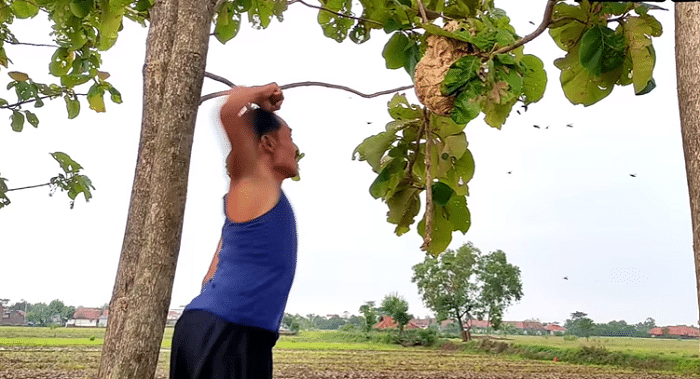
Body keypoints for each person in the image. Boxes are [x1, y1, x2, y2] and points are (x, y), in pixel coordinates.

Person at [170, 83, 299, 379]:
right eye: (289, 138)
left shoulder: (252, 204)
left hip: (224, 331)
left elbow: (209, 277)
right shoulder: (255, 182)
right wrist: (264, 93)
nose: (295, 148)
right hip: (228, 333)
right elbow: (230, 110)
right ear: (267, 143)